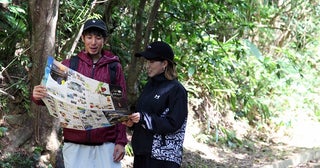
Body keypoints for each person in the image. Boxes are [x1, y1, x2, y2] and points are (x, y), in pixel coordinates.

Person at [32, 19, 127, 168]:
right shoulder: (69, 65)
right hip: (75, 144)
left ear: (104, 40)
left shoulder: (114, 68)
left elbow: (121, 106)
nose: (93, 42)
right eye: (89, 37)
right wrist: (37, 96)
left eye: (98, 37)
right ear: (83, 38)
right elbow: (50, 95)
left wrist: (121, 142)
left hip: (106, 145)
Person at [123, 41, 188, 168]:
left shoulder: (177, 90)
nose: (147, 65)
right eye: (147, 61)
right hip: (142, 153)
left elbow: (174, 123)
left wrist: (143, 119)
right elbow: (143, 116)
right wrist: (132, 123)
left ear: (164, 63)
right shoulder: (150, 85)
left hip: (162, 159)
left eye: (151, 62)